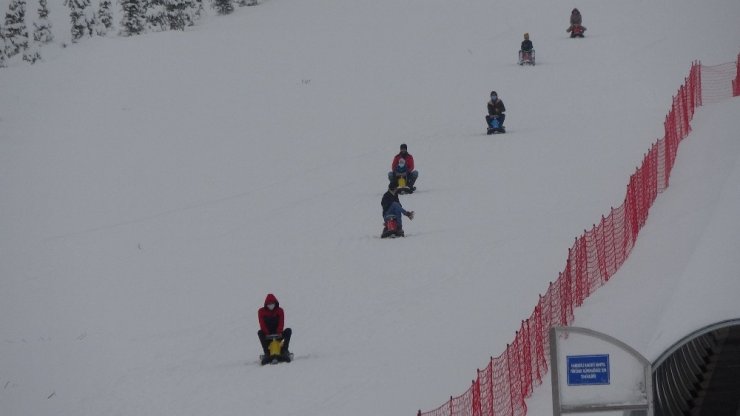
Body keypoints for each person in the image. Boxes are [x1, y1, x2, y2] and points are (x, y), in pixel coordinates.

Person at [258, 293, 292, 364]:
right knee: (260, 332)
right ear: (266, 304)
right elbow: (262, 323)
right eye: (269, 304)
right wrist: (267, 333)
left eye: (272, 303)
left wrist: (279, 332)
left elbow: (281, 322)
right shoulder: (261, 311)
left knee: (288, 331)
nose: (271, 305)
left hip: (278, 334)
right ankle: (267, 353)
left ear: (275, 303)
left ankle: (284, 351)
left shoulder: (280, 310)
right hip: (267, 336)